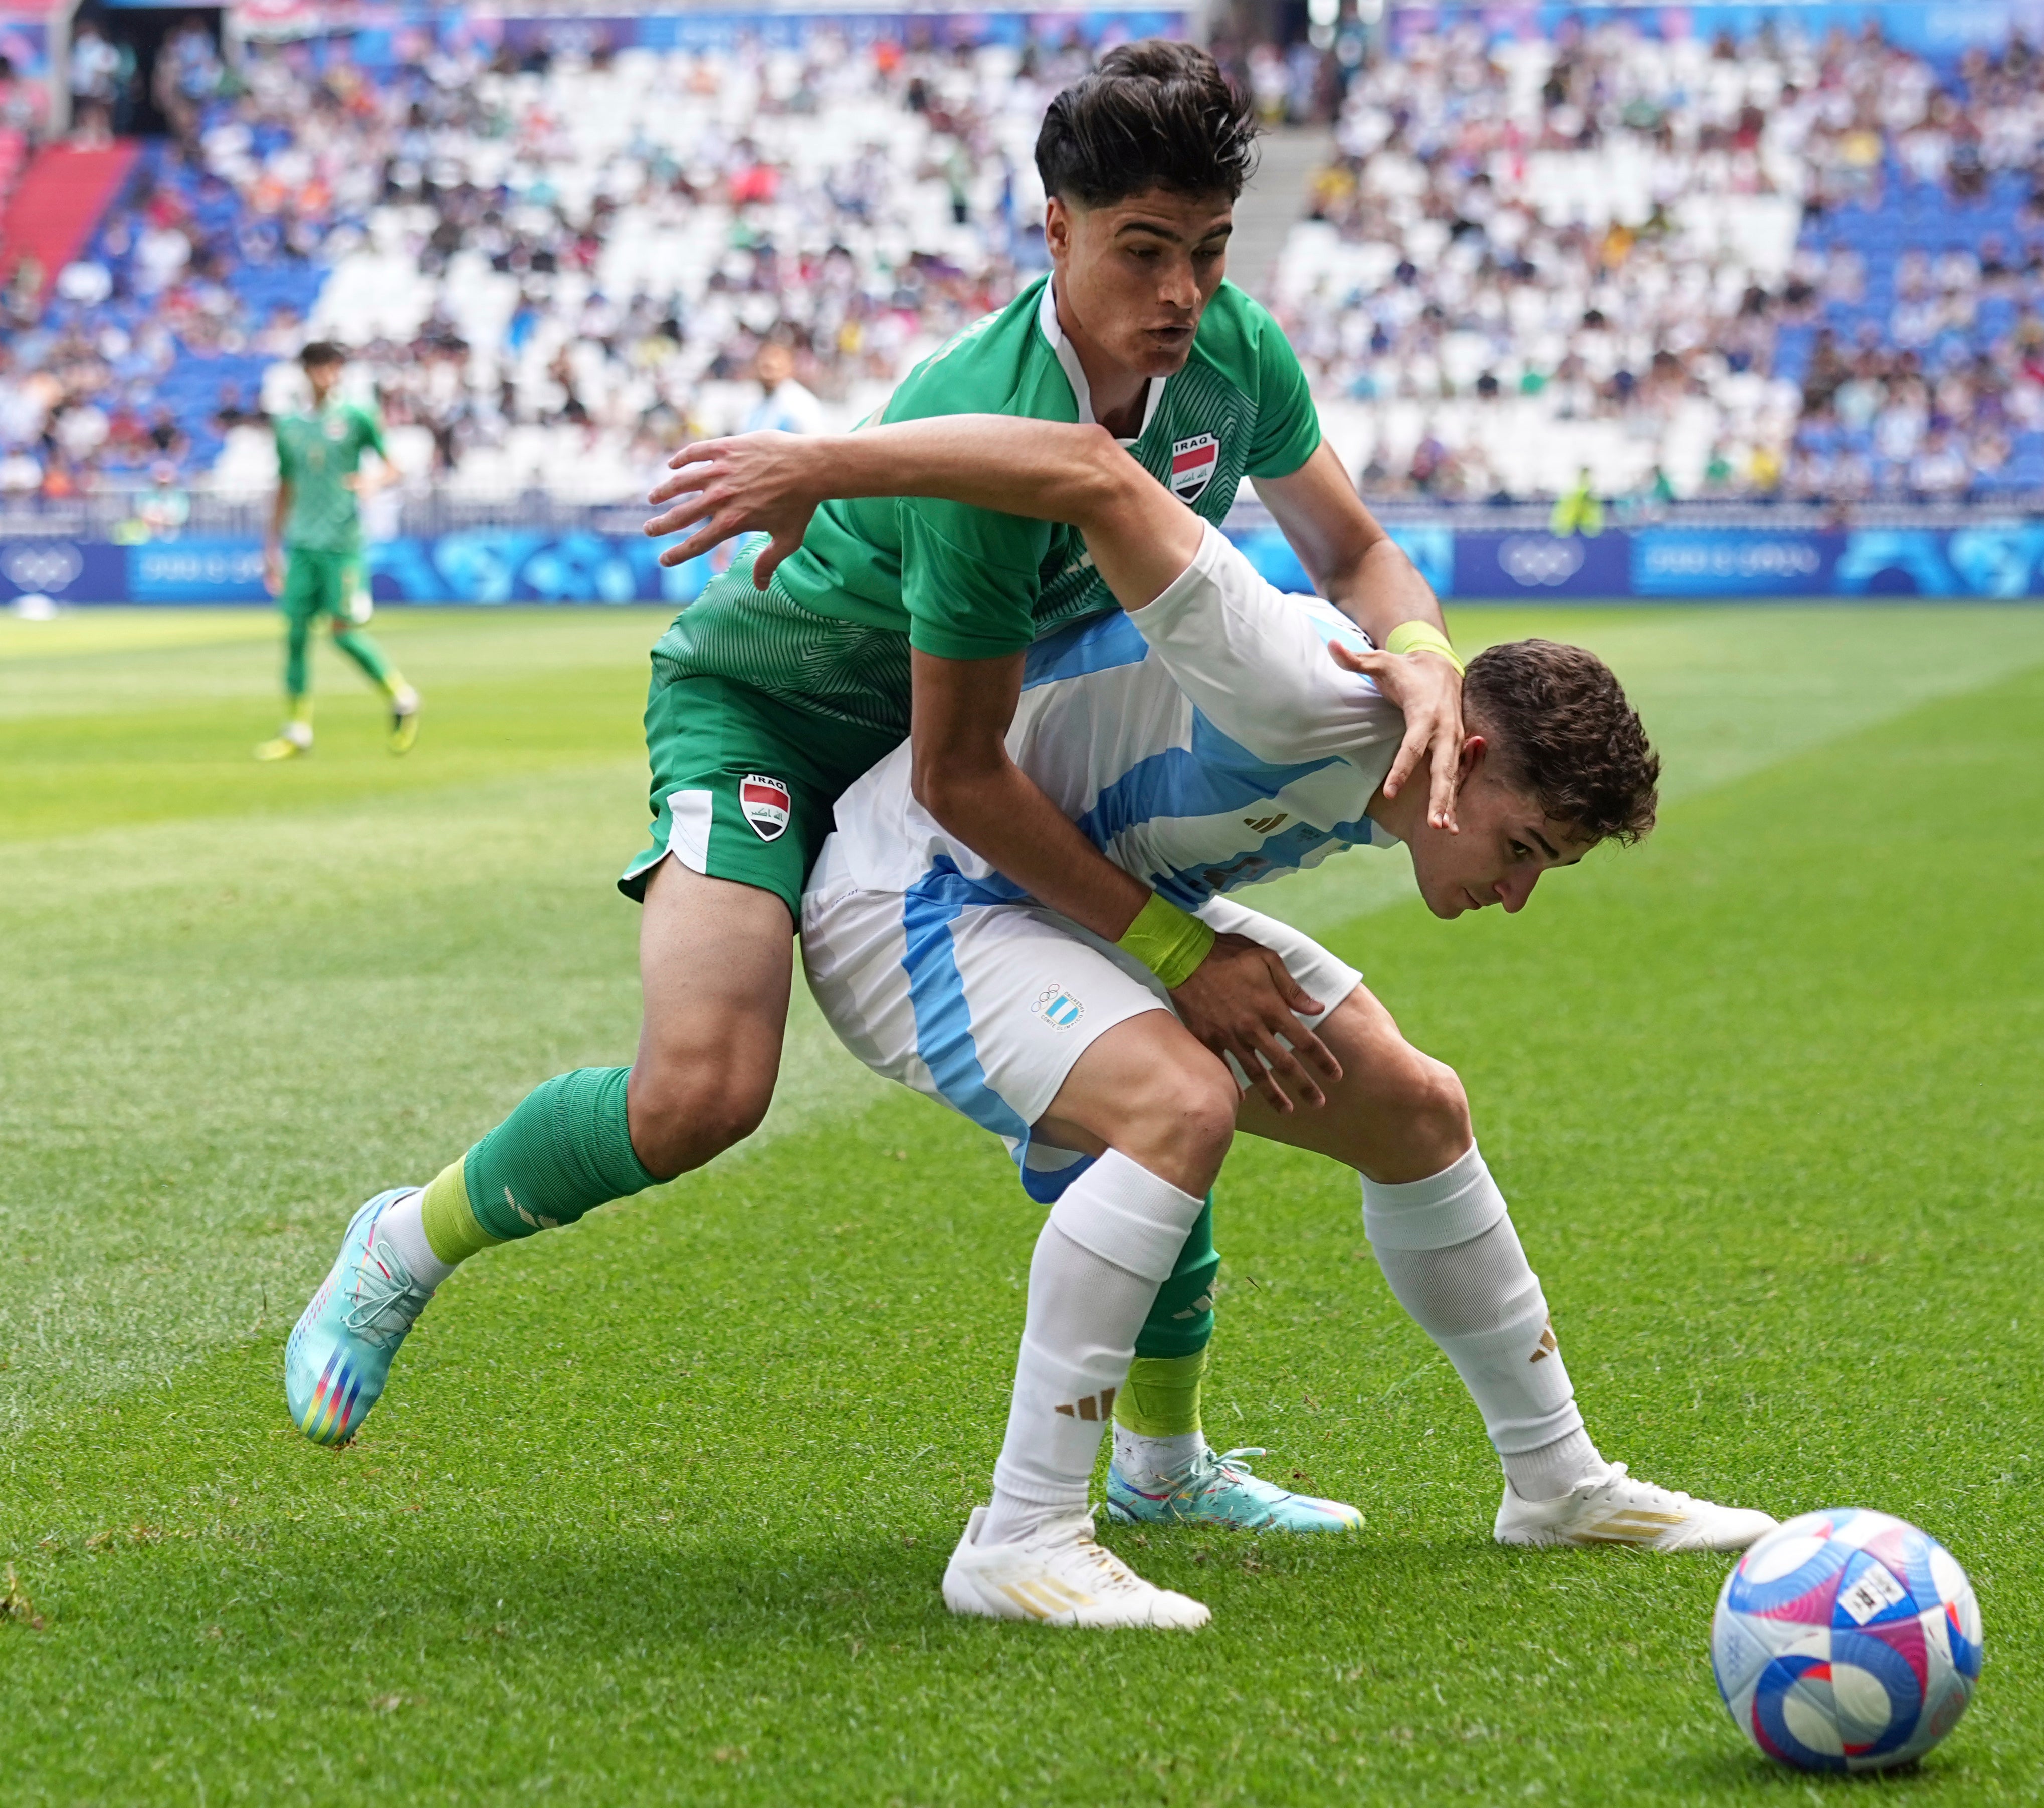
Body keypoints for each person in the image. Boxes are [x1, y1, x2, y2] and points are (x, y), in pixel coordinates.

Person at [285, 46, 1464, 1541]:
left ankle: (1163, 1470)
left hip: (983, 731)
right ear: (1055, 231)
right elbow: (958, 772)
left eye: (1211, 250)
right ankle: (402, 1240)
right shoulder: (981, 422)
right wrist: (1174, 946)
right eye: (1143, 251)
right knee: (701, 1090)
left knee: (1149, 1065)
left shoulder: (1236, 355)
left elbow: (1356, 549)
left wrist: (1423, 653)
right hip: (780, 716)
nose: (1182, 291)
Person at [779, 413, 1781, 1625]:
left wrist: (1176, 937)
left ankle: (1556, 1484)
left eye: (1543, 871)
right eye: (1518, 849)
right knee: (1176, 1102)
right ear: (1460, 755)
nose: (1512, 895)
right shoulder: (1287, 682)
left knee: (1417, 1110)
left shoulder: (1411, 751)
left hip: (1071, 899)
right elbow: (1095, 473)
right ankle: (1021, 1533)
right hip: (911, 896)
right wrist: (814, 461)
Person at [257, 342, 420, 761]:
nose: (327, 375)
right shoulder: (289, 425)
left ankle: (401, 696)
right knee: (294, 635)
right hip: (302, 544)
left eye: (333, 367)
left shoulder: (357, 416)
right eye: (319, 367)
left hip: (342, 545)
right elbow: (285, 486)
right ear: (307, 371)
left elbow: (393, 466)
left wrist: (373, 483)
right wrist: (271, 545)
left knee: (344, 633)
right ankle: (298, 729)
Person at [741, 331, 827, 437]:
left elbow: (815, 440)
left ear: (791, 365)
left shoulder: (802, 404)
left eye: (777, 356)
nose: (770, 362)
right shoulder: (747, 395)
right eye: (765, 356)